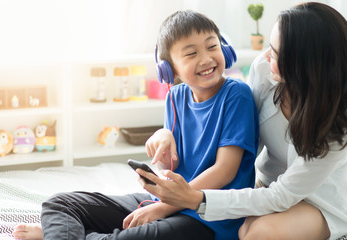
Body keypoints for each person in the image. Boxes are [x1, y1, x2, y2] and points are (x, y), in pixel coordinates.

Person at [13, 10, 259, 240]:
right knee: (59, 204)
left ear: (224, 49)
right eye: (191, 53)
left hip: (209, 217)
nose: (206, 58)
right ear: (168, 69)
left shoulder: (237, 93)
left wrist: (163, 208)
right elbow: (167, 167)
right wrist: (162, 148)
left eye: (212, 46)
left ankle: (59, 234)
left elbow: (225, 170)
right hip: (164, 203)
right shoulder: (175, 96)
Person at [137, 2, 347, 240]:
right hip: (267, 184)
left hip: (318, 199)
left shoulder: (336, 128)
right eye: (270, 47)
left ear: (305, 65)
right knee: (242, 229)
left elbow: (283, 194)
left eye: (276, 53)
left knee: (259, 233)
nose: (267, 56)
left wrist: (196, 199)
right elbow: (244, 131)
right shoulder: (264, 71)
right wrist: (166, 135)